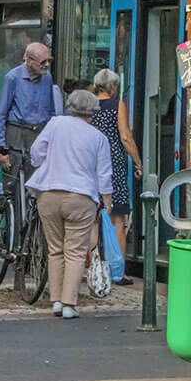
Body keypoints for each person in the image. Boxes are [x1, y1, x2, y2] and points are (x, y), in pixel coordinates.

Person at [28, 89, 114, 320]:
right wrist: (107, 202)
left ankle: (55, 301)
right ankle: (69, 304)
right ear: (93, 112)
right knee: (75, 252)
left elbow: (36, 151)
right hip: (81, 197)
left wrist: (44, 165)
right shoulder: (99, 138)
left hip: (49, 193)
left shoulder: (55, 124)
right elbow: (104, 174)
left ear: (71, 106)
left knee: (55, 249)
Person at [90, 69, 141, 283]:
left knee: (92, 218)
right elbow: (125, 136)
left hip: (92, 165)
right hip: (113, 166)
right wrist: (138, 162)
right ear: (112, 87)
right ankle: (117, 270)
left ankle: (91, 267)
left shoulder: (89, 106)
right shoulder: (116, 104)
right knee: (118, 219)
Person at [0, 42, 62, 186]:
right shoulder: (13, 78)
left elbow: (51, 111)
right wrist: (0, 147)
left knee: (35, 181)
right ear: (28, 61)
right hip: (17, 132)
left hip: (38, 132)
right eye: (43, 62)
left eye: (49, 61)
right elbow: (1, 113)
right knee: (12, 178)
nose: (47, 65)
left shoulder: (47, 77)